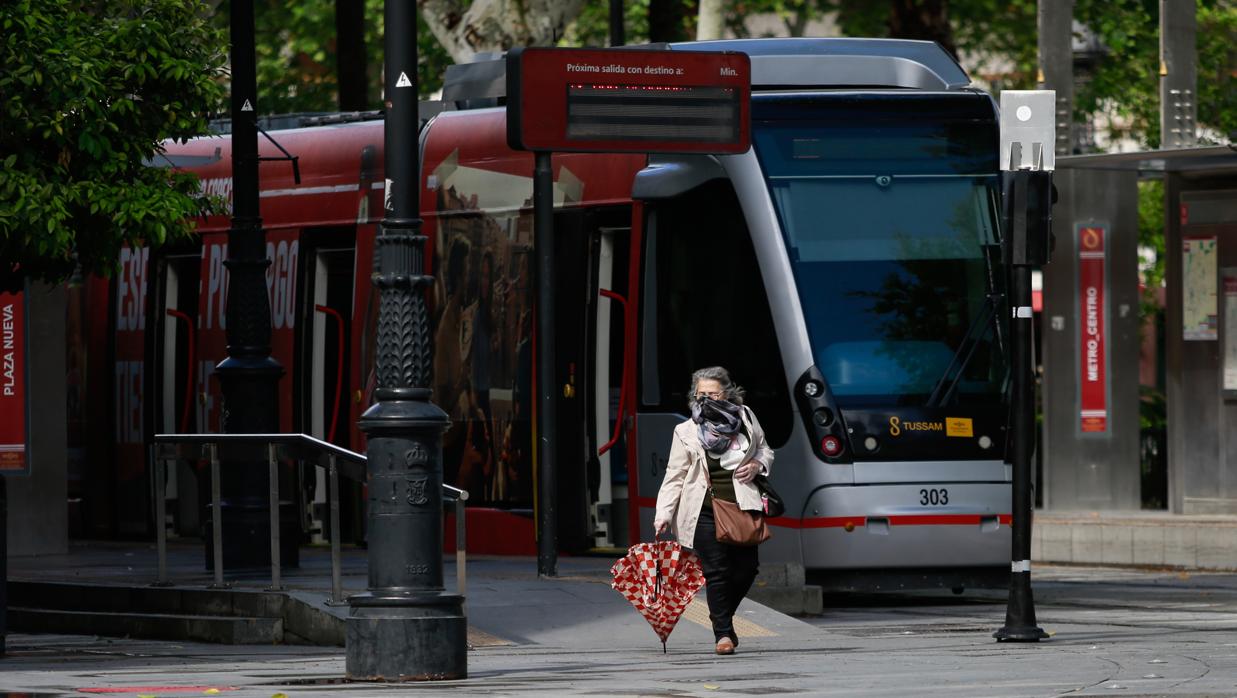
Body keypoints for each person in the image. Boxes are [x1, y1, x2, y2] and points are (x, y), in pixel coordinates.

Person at [653, 366, 774, 656]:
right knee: (717, 572)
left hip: (742, 505)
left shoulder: (745, 417)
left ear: (727, 393)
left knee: (746, 569)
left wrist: (757, 464)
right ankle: (723, 635)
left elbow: (765, 449)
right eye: (700, 394)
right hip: (702, 510)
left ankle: (722, 618)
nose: (706, 399)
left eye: (712, 393)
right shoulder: (685, 430)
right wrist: (663, 514)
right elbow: (675, 474)